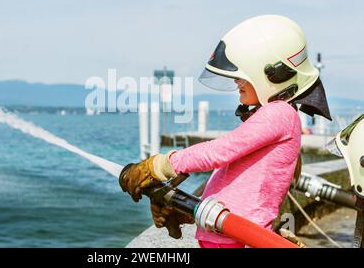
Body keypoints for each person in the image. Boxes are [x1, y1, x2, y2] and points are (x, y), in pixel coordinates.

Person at [120, 14, 332, 248]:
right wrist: (187, 210)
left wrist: (159, 166)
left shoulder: (280, 113)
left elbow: (220, 151)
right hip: (226, 232)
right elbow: (235, 180)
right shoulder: (276, 115)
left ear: (273, 74)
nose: (236, 83)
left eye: (242, 76)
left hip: (236, 236)